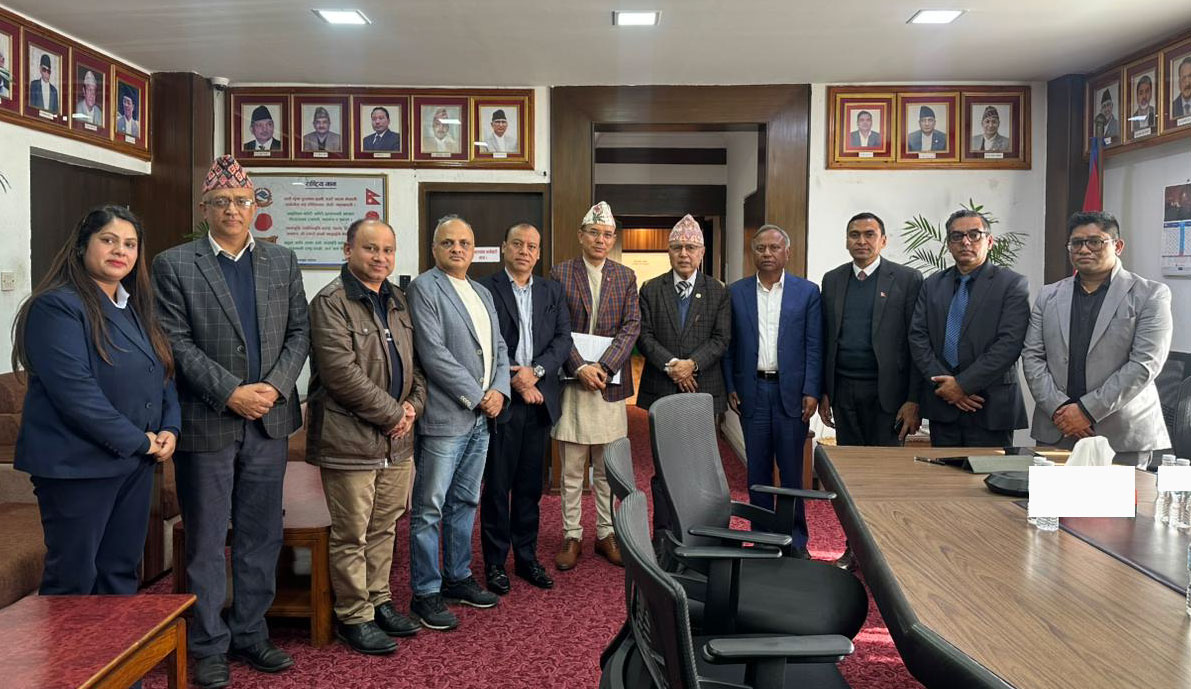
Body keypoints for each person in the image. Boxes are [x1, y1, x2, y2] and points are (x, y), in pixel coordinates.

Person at [153, 155, 310, 689]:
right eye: (221, 202)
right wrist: (230, 392)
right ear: (205, 208)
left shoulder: (282, 261)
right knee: (204, 541)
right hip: (208, 422)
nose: (233, 210)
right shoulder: (174, 264)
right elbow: (175, 342)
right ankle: (208, 644)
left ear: (255, 206)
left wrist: (276, 387)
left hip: (269, 420)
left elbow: (299, 333)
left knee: (261, 535)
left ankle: (250, 632)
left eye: (242, 201)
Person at [13, 205, 179, 602]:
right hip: (79, 465)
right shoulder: (57, 306)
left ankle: (115, 645)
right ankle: (67, 648)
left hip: (134, 463)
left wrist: (170, 428)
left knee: (120, 570)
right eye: (108, 240)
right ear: (82, 245)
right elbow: (76, 395)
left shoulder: (135, 307)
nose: (120, 251)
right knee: (74, 576)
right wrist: (139, 441)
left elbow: (163, 373)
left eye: (130, 244)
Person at [306, 219, 426, 655]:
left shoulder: (399, 299)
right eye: (370, 248)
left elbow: (418, 366)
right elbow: (340, 374)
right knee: (351, 534)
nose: (380, 257)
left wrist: (413, 407)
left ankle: (379, 601)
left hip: (398, 441)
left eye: (388, 250)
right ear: (348, 250)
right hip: (349, 439)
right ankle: (354, 616)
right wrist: (394, 413)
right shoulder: (330, 301)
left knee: (384, 527)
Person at [406, 215, 510, 630]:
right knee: (429, 507)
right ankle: (425, 591)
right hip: (447, 417)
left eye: (464, 243)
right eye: (448, 242)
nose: (457, 249)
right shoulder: (424, 288)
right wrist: (478, 395)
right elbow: (433, 354)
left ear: (474, 249)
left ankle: (457, 576)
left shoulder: (482, 292)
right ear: (435, 249)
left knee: (465, 501)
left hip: (482, 418)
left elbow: (499, 347)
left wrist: (499, 389)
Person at [1022, 211, 1172, 468]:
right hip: (1058, 429)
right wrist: (1060, 409)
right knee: (1051, 495)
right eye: (1076, 243)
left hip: (1122, 433)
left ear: (1118, 246)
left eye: (1095, 242)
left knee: (1120, 497)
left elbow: (1145, 364)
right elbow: (1032, 356)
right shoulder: (1048, 296)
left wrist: (1086, 411)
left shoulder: (1150, 294)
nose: (1084, 249)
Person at [478, 223, 572, 595]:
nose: (525, 251)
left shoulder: (552, 290)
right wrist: (515, 378)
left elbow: (563, 340)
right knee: (497, 486)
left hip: (539, 401)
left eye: (532, 246)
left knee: (530, 486)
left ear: (539, 253)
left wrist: (536, 372)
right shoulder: (485, 289)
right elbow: (485, 341)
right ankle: (495, 562)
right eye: (517, 244)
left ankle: (526, 556)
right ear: (504, 247)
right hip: (502, 400)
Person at [550, 201, 640, 570]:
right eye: (594, 233)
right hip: (573, 384)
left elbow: (631, 326)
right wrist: (580, 367)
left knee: (606, 469)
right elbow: (555, 327)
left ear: (613, 240)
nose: (600, 240)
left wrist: (603, 366)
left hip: (608, 384)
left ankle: (606, 532)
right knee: (572, 468)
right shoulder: (560, 273)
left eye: (607, 235)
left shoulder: (625, 276)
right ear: (581, 236)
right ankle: (572, 534)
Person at [723, 224, 820, 558]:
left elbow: (814, 345)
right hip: (753, 392)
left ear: (787, 252)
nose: (767, 253)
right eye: (760, 248)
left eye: (774, 248)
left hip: (792, 394)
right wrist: (731, 385)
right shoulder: (736, 293)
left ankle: (796, 541)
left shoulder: (807, 292)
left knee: (792, 472)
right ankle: (763, 539)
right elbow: (728, 346)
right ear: (753, 252)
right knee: (758, 472)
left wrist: (812, 390)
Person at [636, 215, 730, 534]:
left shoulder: (718, 291)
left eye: (691, 247)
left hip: (702, 389)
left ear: (702, 252)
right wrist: (673, 365)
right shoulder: (651, 289)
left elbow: (721, 339)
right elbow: (644, 337)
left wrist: (692, 364)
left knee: (700, 467)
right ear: (669, 252)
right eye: (677, 247)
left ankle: (700, 532)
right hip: (661, 387)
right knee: (664, 466)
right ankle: (663, 534)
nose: (684, 254)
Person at [908, 209, 1029, 447]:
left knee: (988, 471)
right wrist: (945, 386)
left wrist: (962, 385)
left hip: (990, 405)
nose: (965, 242)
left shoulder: (1012, 284)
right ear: (948, 244)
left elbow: (1010, 344)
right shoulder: (932, 285)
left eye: (974, 235)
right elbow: (918, 338)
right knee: (943, 471)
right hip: (942, 404)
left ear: (990, 241)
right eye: (957, 236)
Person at [819, 212, 923, 447]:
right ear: (846, 241)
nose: (861, 241)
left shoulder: (907, 279)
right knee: (848, 461)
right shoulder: (832, 280)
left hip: (889, 392)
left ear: (883, 240)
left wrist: (914, 399)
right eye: (854, 235)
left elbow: (917, 342)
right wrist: (823, 391)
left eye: (869, 235)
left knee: (885, 463)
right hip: (842, 390)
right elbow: (824, 338)